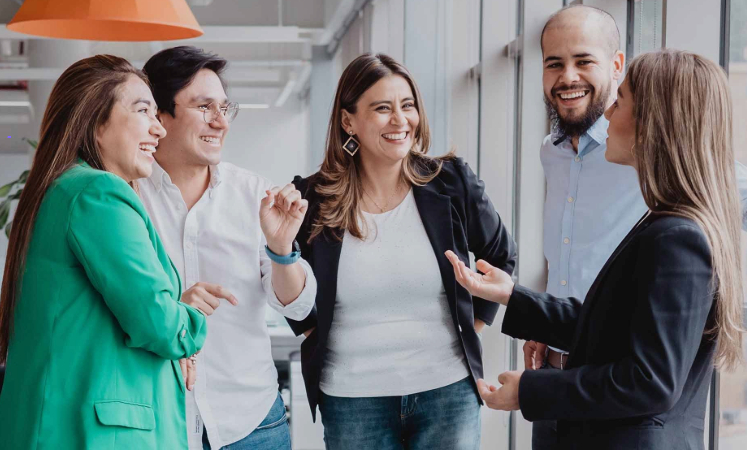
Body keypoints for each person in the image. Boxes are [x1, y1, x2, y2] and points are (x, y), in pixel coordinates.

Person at [447, 49, 746, 450]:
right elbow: (611, 326)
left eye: (620, 102)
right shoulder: (669, 224)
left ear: (651, 125)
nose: (607, 115)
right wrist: (510, 295)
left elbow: (649, 382)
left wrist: (531, 391)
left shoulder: (678, 237)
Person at [524, 4, 747, 449]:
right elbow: (570, 261)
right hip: (555, 377)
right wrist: (538, 320)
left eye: (583, 60)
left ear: (616, 65)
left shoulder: (666, 185)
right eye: (555, 63)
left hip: (618, 399)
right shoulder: (550, 152)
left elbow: (715, 179)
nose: (567, 76)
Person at [285, 53, 517, 450]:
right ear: (348, 121)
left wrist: (471, 330)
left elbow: (500, 256)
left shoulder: (451, 181)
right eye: (382, 108)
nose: (399, 120)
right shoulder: (312, 198)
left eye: (407, 106)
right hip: (353, 398)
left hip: (447, 392)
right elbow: (298, 306)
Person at [0, 55, 207, 449]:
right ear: (96, 123)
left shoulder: (62, 189)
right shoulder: (98, 193)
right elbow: (158, 323)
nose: (159, 128)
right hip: (99, 434)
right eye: (142, 110)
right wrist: (190, 321)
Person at [139, 46, 316, 450]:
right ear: (159, 115)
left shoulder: (251, 193)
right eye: (204, 107)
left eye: (225, 108)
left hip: (251, 425)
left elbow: (298, 306)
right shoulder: (128, 199)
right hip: (157, 423)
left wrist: (282, 248)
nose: (221, 122)